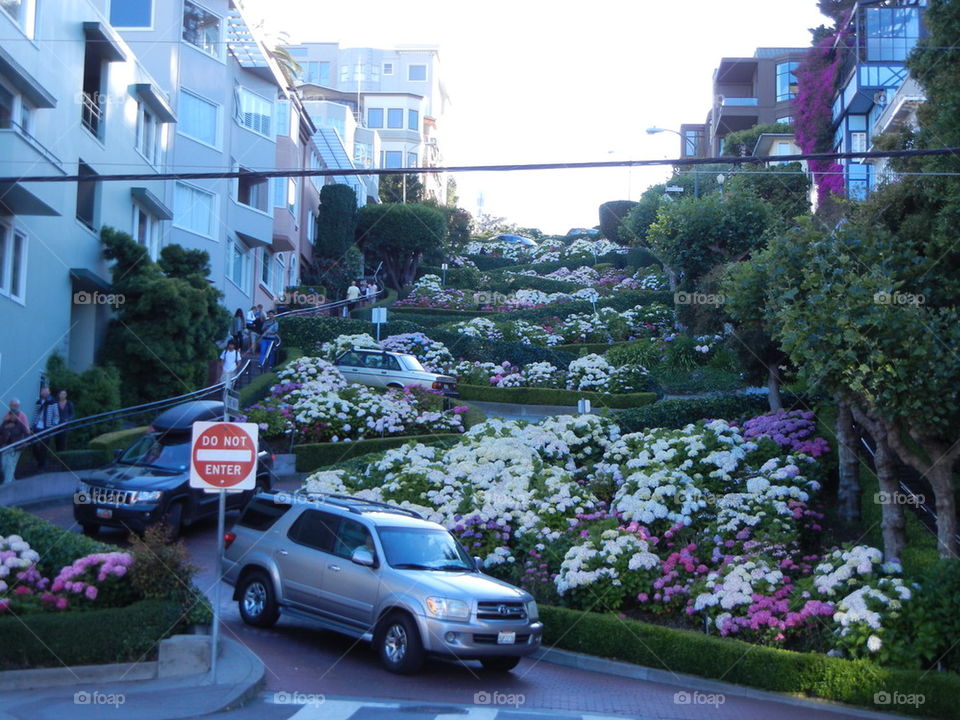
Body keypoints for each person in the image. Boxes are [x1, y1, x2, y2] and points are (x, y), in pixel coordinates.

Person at [1, 399, 30, 485]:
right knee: (4, 465)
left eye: (15, 415)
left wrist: (25, 442)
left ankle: (7, 484)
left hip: (16, 447)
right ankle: (12, 482)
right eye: (12, 415)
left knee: (10, 465)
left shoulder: (21, 423)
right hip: (5, 446)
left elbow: (27, 433)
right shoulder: (4, 423)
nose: (14, 417)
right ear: (9, 415)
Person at [32, 386, 59, 471]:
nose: (45, 393)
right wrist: (34, 424)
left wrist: (54, 425)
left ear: (49, 392)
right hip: (37, 426)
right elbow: (36, 414)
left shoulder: (53, 402)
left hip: (47, 427)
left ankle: (41, 466)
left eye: (46, 391)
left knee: (43, 446)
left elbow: (56, 416)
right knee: (33, 443)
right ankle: (40, 460)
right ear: (41, 393)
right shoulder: (38, 402)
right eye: (43, 391)